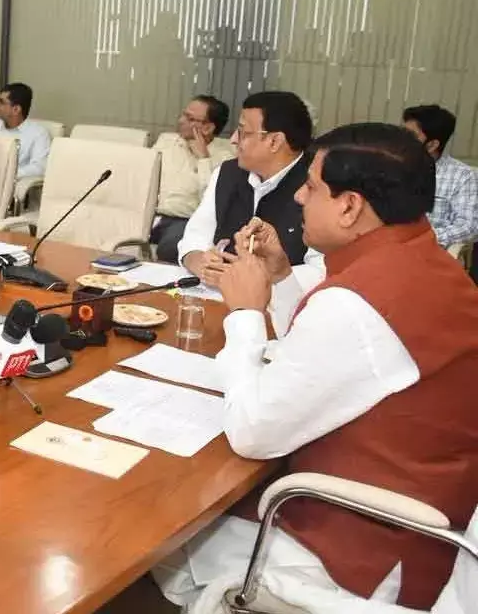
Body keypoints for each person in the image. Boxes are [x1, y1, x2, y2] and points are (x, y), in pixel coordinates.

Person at [156, 123, 478, 613]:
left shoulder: (361, 303)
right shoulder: (421, 260)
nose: (300, 197)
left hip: (357, 542)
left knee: (151, 524)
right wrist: (282, 276)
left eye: (311, 186)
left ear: (349, 206)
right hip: (419, 509)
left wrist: (245, 314)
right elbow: (330, 353)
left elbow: (252, 432)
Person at [178, 91, 316, 287]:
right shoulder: (227, 173)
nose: (233, 139)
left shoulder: (317, 185)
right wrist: (199, 261)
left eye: (243, 132)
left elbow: (319, 269)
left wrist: (258, 277)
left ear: (275, 141)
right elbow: (195, 235)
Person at [150, 95, 236, 262]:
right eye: (183, 114)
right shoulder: (167, 141)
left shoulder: (225, 158)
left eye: (190, 118)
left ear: (208, 127)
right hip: (149, 215)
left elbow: (212, 199)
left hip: (183, 220)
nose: (181, 120)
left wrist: (203, 159)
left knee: (170, 247)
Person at [402, 104, 478, 249]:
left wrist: (422, 239)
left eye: (410, 136)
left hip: (429, 252)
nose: (401, 141)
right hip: (387, 247)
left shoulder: (462, 176)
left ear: (432, 145)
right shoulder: (391, 166)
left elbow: (468, 227)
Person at [0, 82, 52, 180]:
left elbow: (39, 167)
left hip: (13, 183)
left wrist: (9, 174)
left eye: (2, 102)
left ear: (16, 109)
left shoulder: (38, 133)